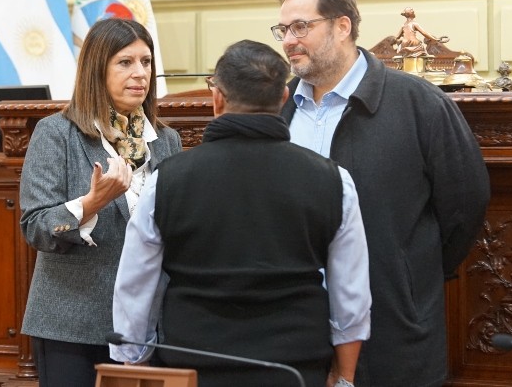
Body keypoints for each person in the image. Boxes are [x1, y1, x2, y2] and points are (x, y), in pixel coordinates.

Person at [110, 39, 371, 387]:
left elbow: (135, 284)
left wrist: (133, 366)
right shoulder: (333, 180)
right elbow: (351, 293)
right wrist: (344, 376)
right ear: (282, 100)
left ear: (216, 98)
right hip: (296, 368)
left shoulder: (168, 180)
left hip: (194, 366)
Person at [273, 0, 490, 387]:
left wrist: (409, 272)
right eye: (283, 30)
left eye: (301, 27)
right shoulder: (278, 108)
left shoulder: (417, 102)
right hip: (294, 326)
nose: (289, 40)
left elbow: (465, 202)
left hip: (390, 323)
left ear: (342, 26)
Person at [19, 17, 183, 387]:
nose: (140, 73)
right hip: (73, 323)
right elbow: (36, 227)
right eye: (125, 62)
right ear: (97, 69)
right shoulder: (57, 133)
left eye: (146, 61)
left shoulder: (166, 140)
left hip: (148, 321)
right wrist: (90, 203)